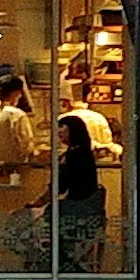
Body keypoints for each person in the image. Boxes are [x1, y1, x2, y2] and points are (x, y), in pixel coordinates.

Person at [53, 113, 107, 271]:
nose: (59, 131)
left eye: (63, 127)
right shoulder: (82, 153)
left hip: (77, 207)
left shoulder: (75, 155)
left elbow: (61, 185)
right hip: (86, 206)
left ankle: (63, 264)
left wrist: (40, 201)